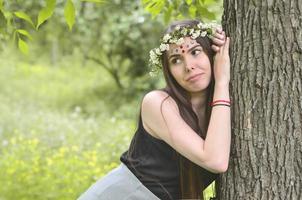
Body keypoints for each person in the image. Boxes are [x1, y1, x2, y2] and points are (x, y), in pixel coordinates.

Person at [78, 19, 231, 200]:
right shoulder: (157, 103)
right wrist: (222, 81)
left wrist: (221, 33)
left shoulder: (221, 112)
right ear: (169, 71)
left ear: (211, 52)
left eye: (195, 52)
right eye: (176, 60)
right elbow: (216, 161)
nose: (188, 66)